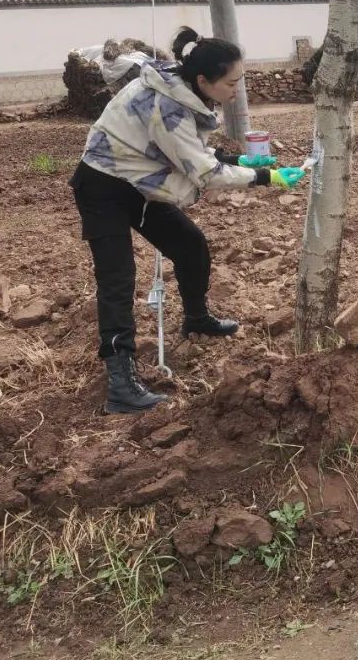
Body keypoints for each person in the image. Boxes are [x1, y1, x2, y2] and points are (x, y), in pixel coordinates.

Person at [70, 26, 307, 415]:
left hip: (140, 182)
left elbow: (185, 149)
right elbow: (203, 172)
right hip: (103, 186)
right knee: (118, 278)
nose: (236, 90)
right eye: (231, 82)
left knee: (189, 245)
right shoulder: (167, 104)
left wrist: (237, 160)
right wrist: (266, 177)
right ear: (203, 79)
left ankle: (196, 319)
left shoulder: (180, 90)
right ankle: (121, 382)